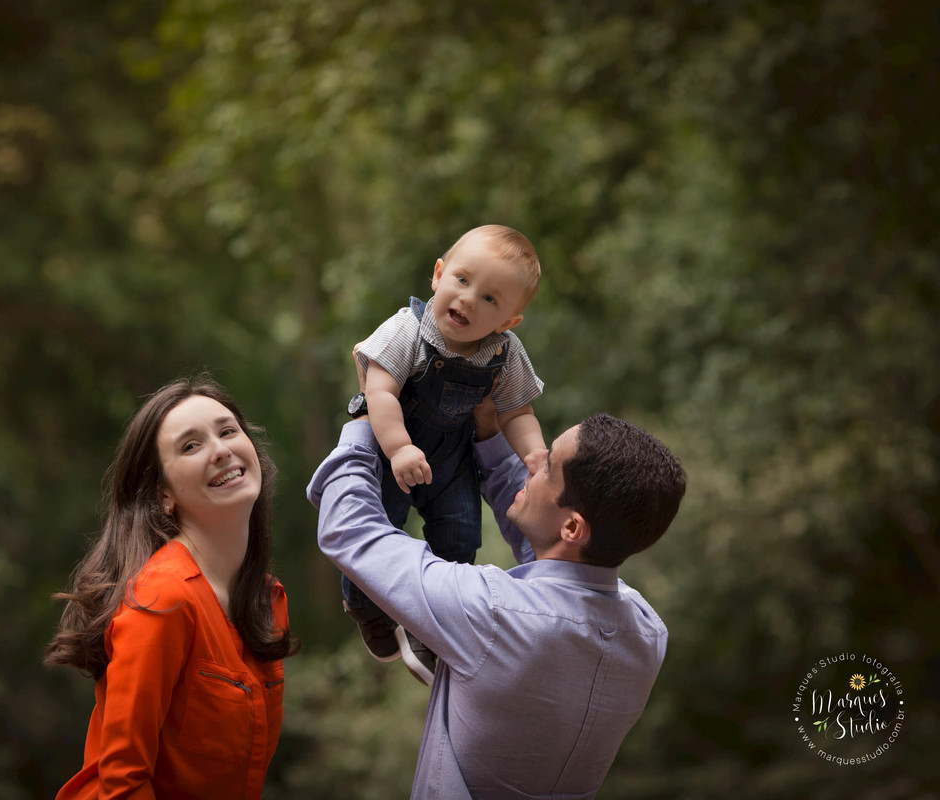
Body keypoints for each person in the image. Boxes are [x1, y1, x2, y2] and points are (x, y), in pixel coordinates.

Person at [308, 367, 687, 799]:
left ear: (573, 527)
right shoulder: (647, 632)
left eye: (549, 467)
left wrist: (364, 415)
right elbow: (555, 563)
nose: (534, 461)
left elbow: (352, 533)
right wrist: (489, 435)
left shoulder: (489, 613)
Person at [45, 375, 299, 800]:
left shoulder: (266, 601)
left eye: (227, 431)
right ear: (164, 495)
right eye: (191, 445)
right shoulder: (163, 599)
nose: (220, 451)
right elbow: (122, 783)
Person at [344, 224, 547, 684]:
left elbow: (517, 412)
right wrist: (397, 449)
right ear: (438, 274)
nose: (470, 299)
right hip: (390, 443)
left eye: (491, 299)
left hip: (452, 455)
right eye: (462, 279)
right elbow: (379, 391)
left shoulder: (505, 353)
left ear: (509, 322)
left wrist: (536, 455)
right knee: (378, 528)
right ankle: (365, 608)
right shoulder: (407, 329)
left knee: (459, 538)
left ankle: (428, 626)